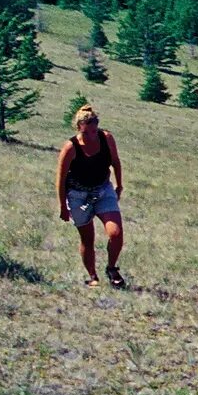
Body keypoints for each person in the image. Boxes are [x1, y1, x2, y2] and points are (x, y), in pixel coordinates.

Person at [55, 104, 126, 288]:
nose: (91, 136)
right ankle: (93, 276)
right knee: (87, 239)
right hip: (78, 195)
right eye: (87, 133)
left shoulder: (106, 138)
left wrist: (119, 185)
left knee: (115, 233)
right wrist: (63, 206)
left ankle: (112, 268)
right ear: (79, 128)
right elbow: (60, 180)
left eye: (94, 131)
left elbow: (115, 162)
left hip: (103, 190)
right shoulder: (70, 147)